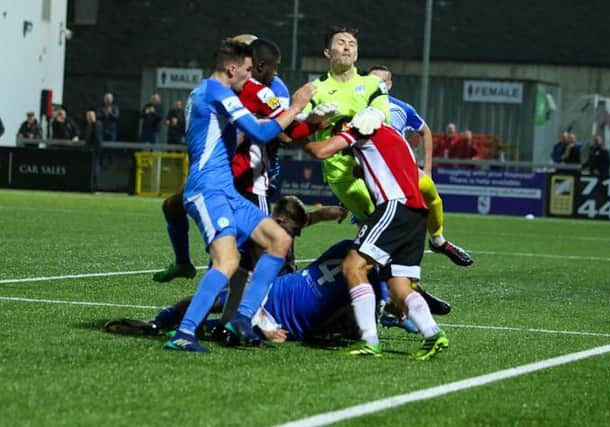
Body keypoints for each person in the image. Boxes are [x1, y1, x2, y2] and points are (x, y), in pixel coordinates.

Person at [162, 38, 315, 352]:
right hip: (207, 191)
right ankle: (184, 333)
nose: (250, 76)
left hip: (226, 192)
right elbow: (262, 132)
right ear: (232, 68)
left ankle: (241, 318)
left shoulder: (213, 93)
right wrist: (297, 106)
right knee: (228, 260)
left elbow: (253, 127)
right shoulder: (216, 92)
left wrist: (302, 119)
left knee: (279, 240)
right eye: (247, 70)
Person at [152, 37, 332, 284]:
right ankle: (188, 274)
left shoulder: (269, 90)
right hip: (218, 173)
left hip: (251, 178)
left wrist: (313, 121)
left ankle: (272, 298)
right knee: (177, 209)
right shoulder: (224, 88)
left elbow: (284, 132)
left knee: (255, 254)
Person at [105, 239, 452, 344]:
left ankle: (192, 327)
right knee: (221, 298)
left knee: (229, 328)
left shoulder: (369, 281)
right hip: (273, 293)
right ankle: (164, 319)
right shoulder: (354, 256)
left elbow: (353, 320)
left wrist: (398, 317)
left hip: (290, 323)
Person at [304, 118, 448, 361]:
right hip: (416, 214)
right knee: (399, 285)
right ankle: (433, 333)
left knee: (353, 266)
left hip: (395, 206)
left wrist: (299, 137)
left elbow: (321, 151)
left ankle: (369, 340)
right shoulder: (391, 134)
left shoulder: (359, 128)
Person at [369, 65, 472, 267]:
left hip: (401, 168)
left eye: (382, 82)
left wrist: (427, 169)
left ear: (389, 85)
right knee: (372, 225)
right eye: (372, 82)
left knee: (430, 193)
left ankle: (438, 240)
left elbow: (425, 131)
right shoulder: (357, 107)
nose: (377, 86)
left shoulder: (401, 108)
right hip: (370, 171)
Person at [301, 27, 390, 223]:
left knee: (391, 222)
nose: (347, 48)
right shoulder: (315, 89)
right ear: (327, 53)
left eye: (352, 44)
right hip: (343, 173)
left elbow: (384, 113)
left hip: (376, 167)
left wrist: (374, 113)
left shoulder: (372, 83)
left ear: (357, 53)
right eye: (340, 43)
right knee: (376, 221)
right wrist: (310, 120)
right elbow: (298, 125)